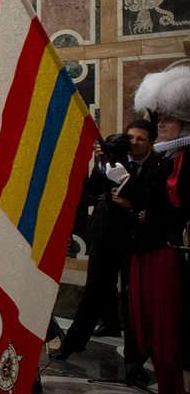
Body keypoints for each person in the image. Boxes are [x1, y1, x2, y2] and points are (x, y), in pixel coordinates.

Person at [52, 121, 160, 361]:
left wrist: (132, 202)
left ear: (150, 142)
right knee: (93, 291)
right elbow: (92, 189)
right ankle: (72, 344)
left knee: (133, 299)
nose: (133, 142)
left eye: (140, 139)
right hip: (105, 233)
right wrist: (103, 164)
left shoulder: (157, 164)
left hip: (136, 238)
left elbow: (155, 200)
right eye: (130, 137)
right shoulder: (114, 158)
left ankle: (135, 359)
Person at [129, 65, 190, 393]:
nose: (161, 123)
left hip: (172, 256)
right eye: (160, 116)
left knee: (172, 337)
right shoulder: (165, 158)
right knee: (156, 335)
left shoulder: (184, 158)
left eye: (170, 117)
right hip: (153, 250)